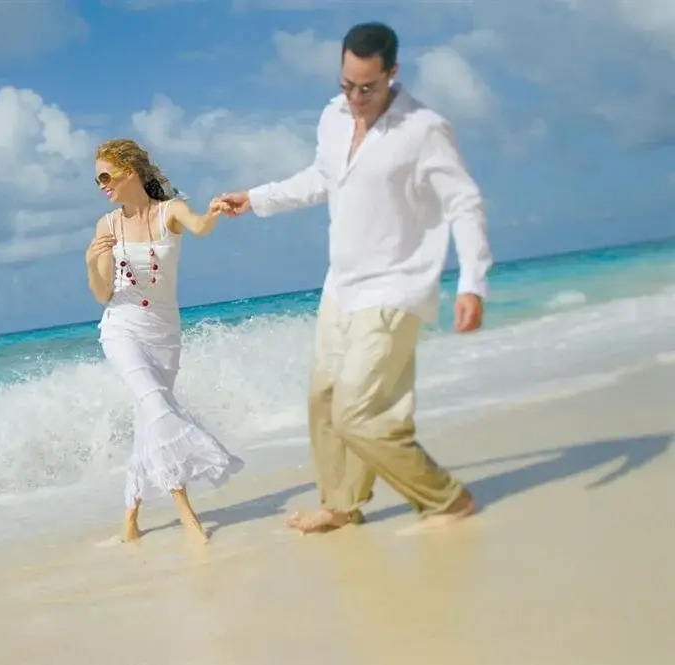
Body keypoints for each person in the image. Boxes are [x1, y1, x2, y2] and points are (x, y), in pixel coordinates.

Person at [219, 21, 494, 534]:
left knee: (358, 413)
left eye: (367, 88)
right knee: (323, 399)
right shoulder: (333, 116)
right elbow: (321, 178)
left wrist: (472, 283)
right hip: (341, 284)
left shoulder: (423, 129)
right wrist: (255, 198)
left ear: (392, 73)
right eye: (348, 85)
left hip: (396, 285)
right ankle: (341, 505)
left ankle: (446, 499)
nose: (356, 98)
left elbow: (464, 203)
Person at [86, 138, 245, 545]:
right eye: (98, 180)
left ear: (129, 172)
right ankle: (188, 516)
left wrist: (213, 212)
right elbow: (102, 294)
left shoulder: (170, 211)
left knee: (149, 424)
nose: (103, 186)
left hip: (165, 335)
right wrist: (90, 262)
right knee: (157, 409)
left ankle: (130, 520)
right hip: (121, 328)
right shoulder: (107, 226)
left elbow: (200, 226)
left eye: (106, 177)